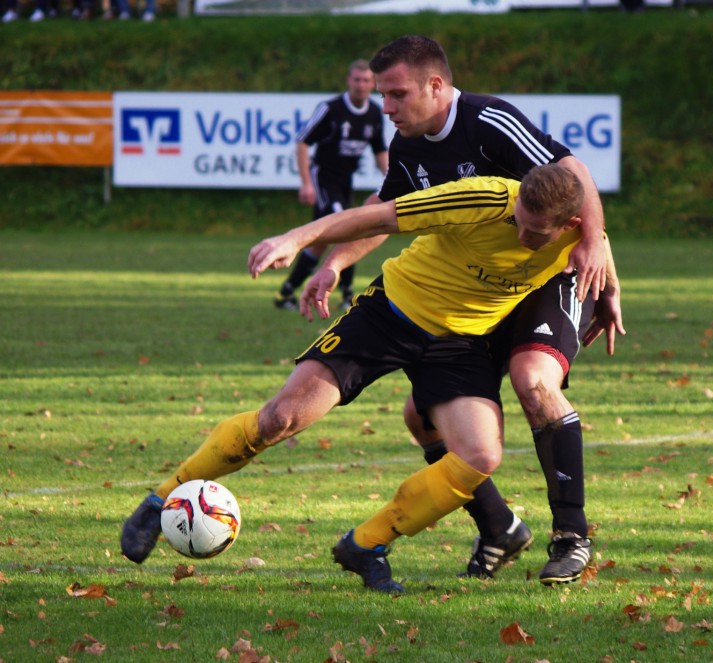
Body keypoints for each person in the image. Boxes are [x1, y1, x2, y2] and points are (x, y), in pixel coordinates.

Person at [121, 165, 588, 595]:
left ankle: (365, 545)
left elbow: (597, 261)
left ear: (569, 226)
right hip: (392, 313)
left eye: (535, 231)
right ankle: (158, 501)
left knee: (480, 454)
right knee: (282, 417)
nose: (522, 233)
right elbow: (376, 217)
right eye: (518, 221)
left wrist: (609, 296)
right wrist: (300, 240)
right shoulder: (484, 200)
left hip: (460, 343)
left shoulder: (584, 240)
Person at [301, 36, 622, 585]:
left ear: (434, 86)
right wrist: (334, 263)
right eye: (383, 95)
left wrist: (594, 243)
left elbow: (574, 171)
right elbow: (385, 214)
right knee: (419, 416)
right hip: (480, 288)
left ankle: (571, 536)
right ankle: (499, 527)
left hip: (549, 275)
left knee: (532, 379)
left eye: (396, 93)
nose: (387, 107)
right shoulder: (408, 146)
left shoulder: (490, 121)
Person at [274, 60, 389, 311]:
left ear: (374, 84)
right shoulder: (330, 109)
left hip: (345, 181)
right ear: (349, 81)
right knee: (347, 227)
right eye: (357, 80)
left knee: (322, 241)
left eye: (367, 80)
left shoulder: (374, 113)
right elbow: (302, 143)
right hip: (323, 177)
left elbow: (379, 149)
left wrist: (393, 177)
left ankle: (286, 293)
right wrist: (306, 184)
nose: (361, 85)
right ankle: (347, 295)